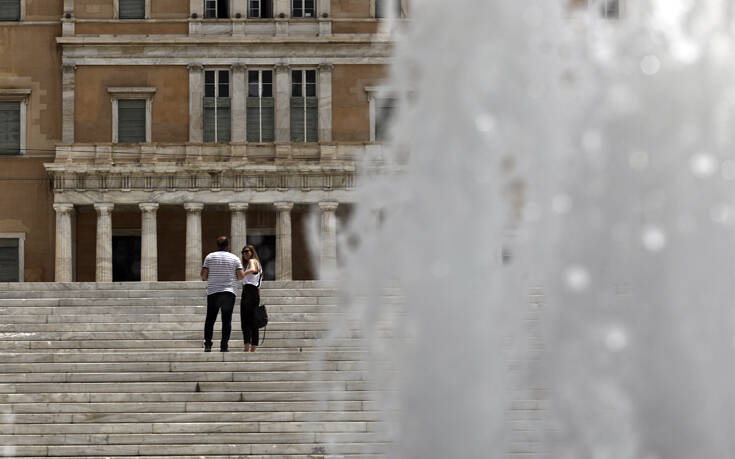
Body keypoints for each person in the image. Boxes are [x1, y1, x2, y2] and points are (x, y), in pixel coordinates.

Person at [201, 236, 244, 352]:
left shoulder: (210, 257)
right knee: (226, 320)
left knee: (210, 319)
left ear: (217, 245)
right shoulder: (234, 258)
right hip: (229, 292)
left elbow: (204, 275)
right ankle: (224, 346)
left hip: (213, 292)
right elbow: (240, 276)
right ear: (228, 245)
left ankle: (208, 344)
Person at [240, 244, 263, 352]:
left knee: (245, 321)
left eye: (247, 251)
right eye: (243, 252)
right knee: (254, 322)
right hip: (255, 293)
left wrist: (241, 274)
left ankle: (246, 347)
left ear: (252, 252)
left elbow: (252, 269)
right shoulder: (259, 265)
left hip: (248, 292)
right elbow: (259, 286)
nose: (245, 253)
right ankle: (253, 347)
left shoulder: (252, 261)